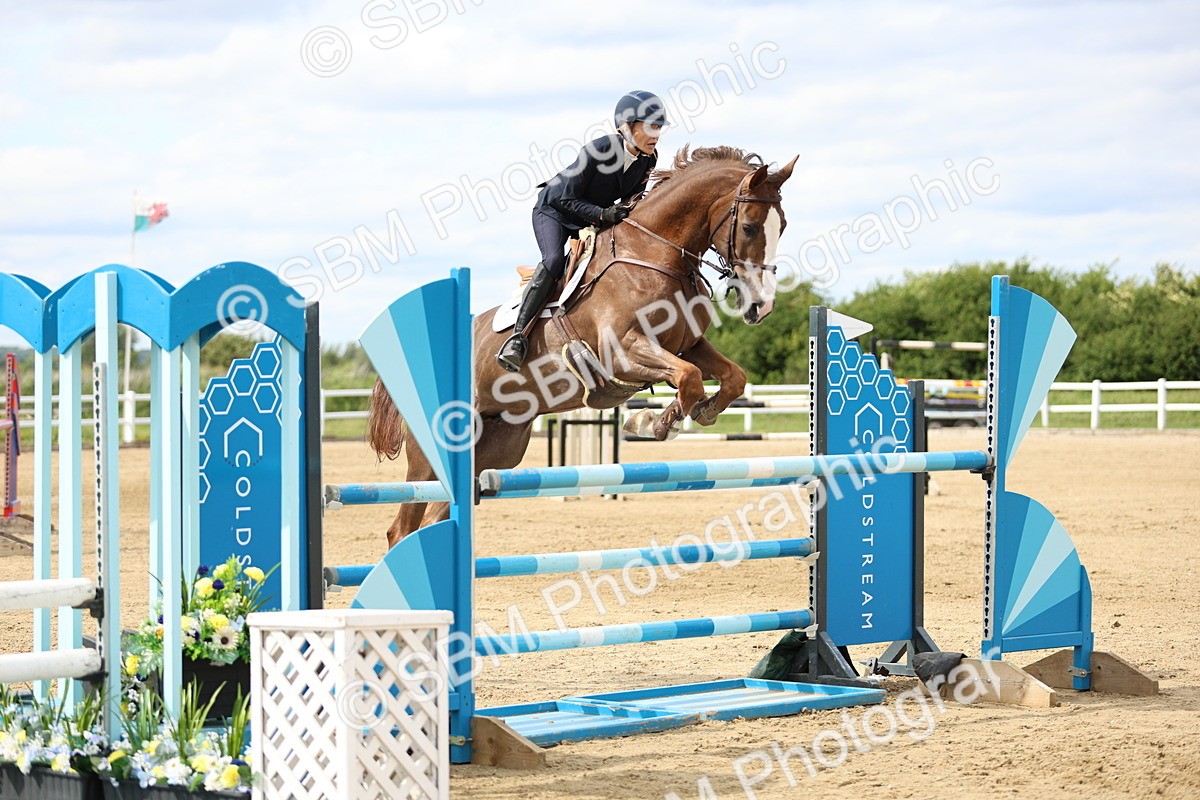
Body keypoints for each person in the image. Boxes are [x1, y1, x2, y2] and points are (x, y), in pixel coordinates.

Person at [495, 90, 669, 372]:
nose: (656, 135)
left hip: (591, 217)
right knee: (553, 261)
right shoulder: (599, 150)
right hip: (554, 211)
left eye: (659, 128)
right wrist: (602, 214)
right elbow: (567, 199)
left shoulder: (649, 159)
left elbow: (632, 200)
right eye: (650, 127)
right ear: (627, 127)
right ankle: (517, 338)